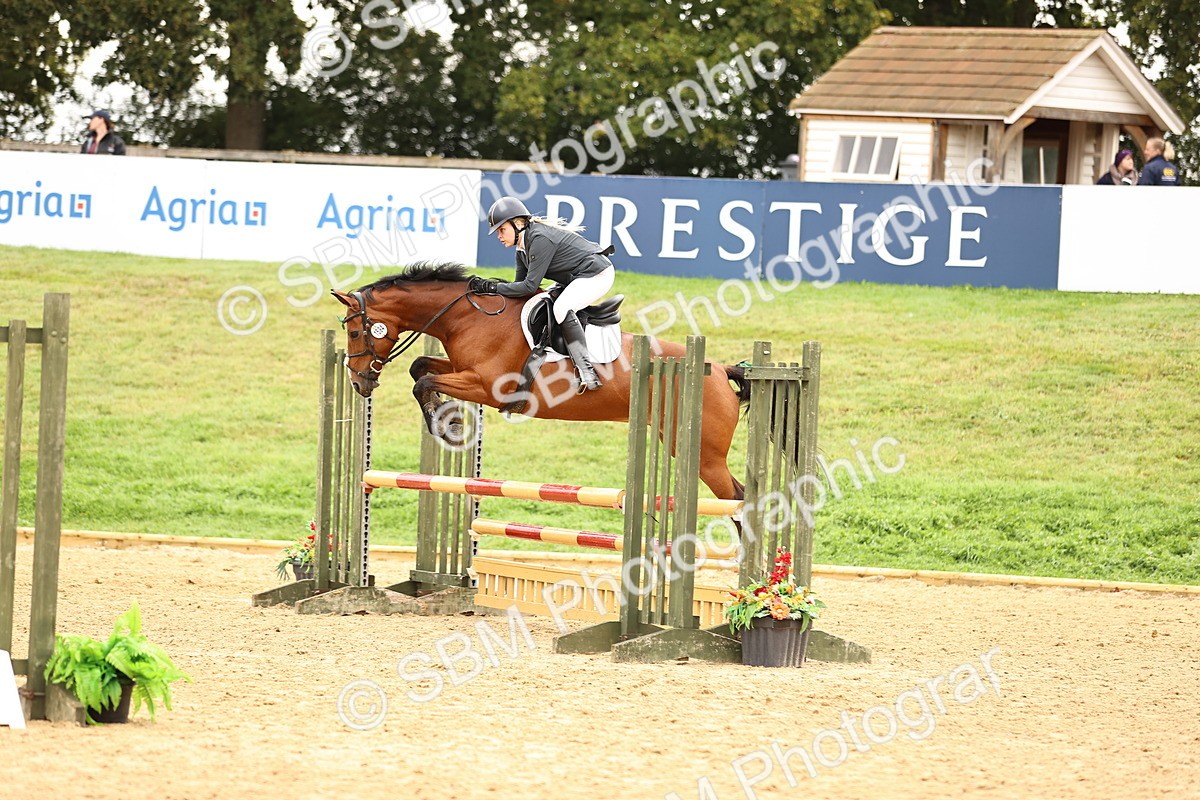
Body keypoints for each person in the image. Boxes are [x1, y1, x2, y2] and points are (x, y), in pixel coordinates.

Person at [473, 196, 616, 391]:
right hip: (576, 277)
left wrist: (492, 287)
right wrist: (490, 293)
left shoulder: (539, 239)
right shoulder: (521, 250)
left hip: (597, 273)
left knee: (562, 307)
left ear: (517, 224)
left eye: (501, 229)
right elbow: (520, 289)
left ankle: (587, 372)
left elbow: (529, 286)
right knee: (542, 300)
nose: (499, 235)